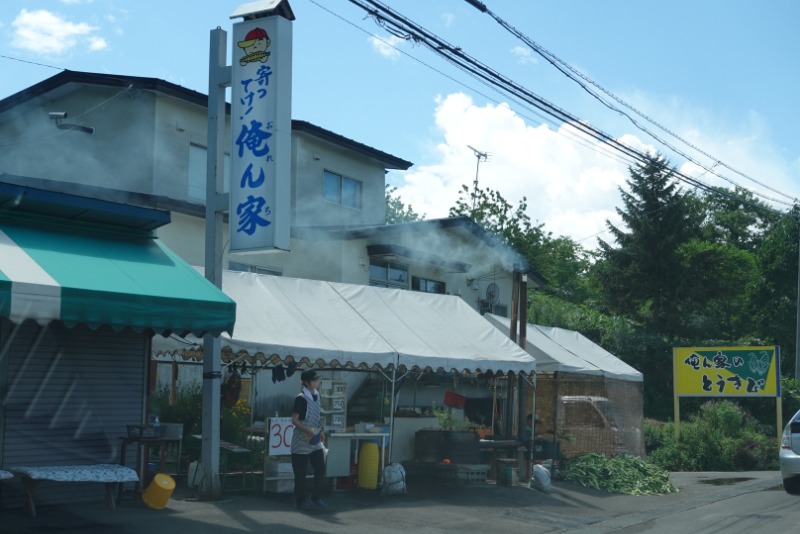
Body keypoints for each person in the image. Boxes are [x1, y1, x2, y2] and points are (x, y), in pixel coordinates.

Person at [291, 369, 327, 511]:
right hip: (300, 441)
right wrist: (307, 430)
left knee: (320, 468)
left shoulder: (317, 395)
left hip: (314, 438)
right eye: (315, 379)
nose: (318, 381)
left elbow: (316, 418)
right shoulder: (301, 398)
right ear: (307, 383)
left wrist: (321, 431)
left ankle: (316, 497)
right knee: (300, 474)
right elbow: (294, 420)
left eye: (318, 379)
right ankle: (300, 501)